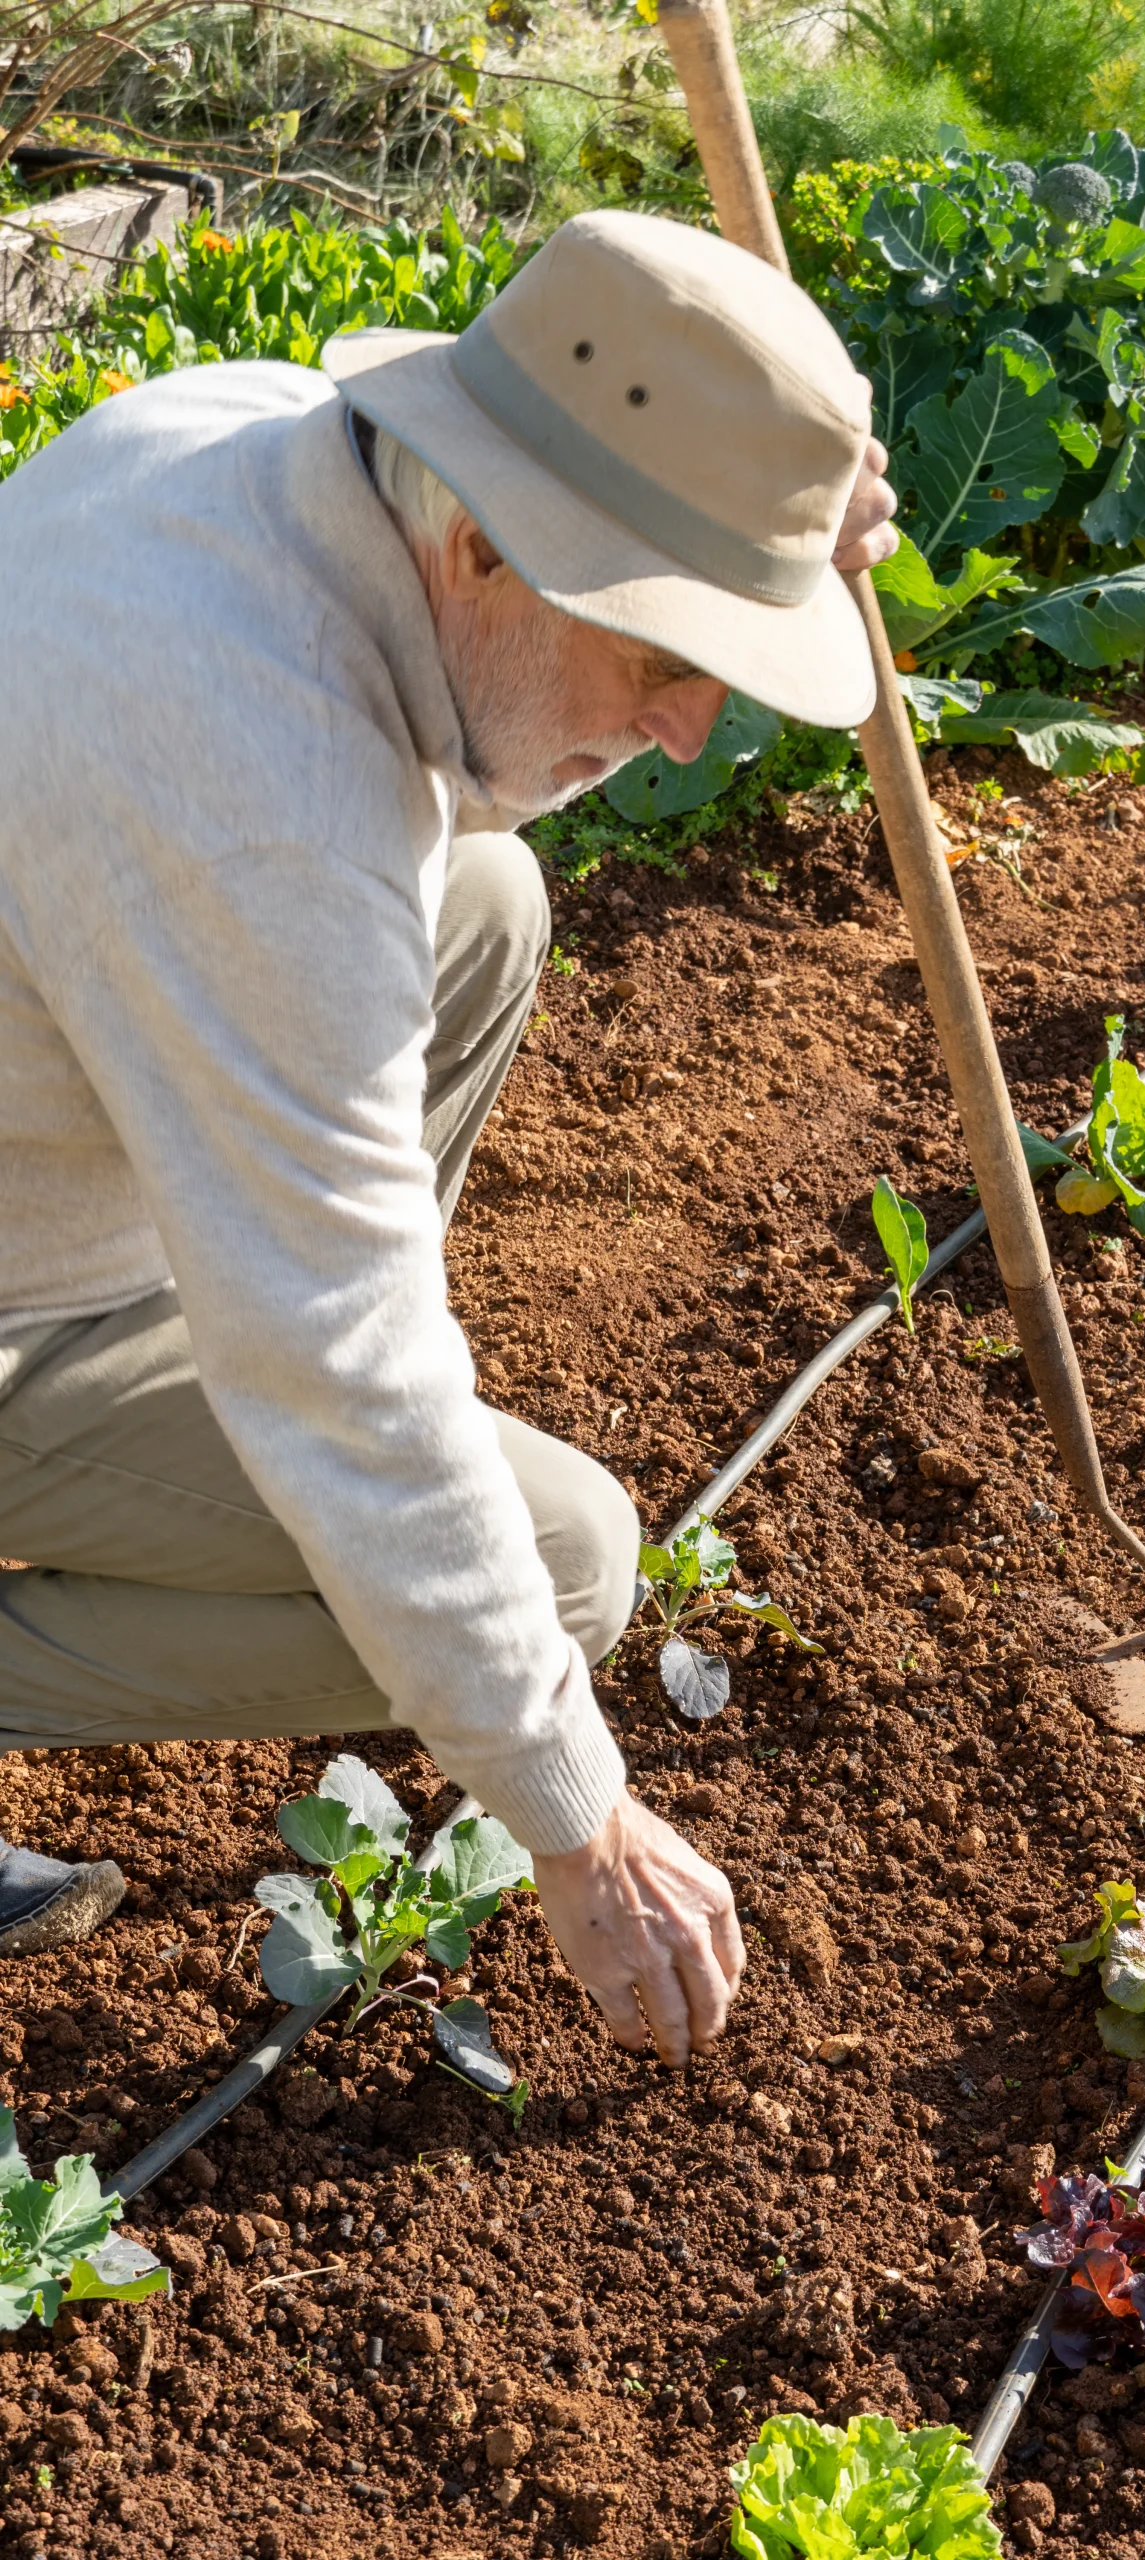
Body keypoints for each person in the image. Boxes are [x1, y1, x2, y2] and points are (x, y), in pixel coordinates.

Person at [0, 208, 899, 2058]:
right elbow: (337, 1369)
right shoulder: (255, 813)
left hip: (50, 1130)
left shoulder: (253, 441)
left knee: (480, 904)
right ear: (483, 536)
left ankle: (253, 1407)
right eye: (661, 643)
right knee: (562, 1567)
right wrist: (574, 1815)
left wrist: (770, 528)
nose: (687, 720)